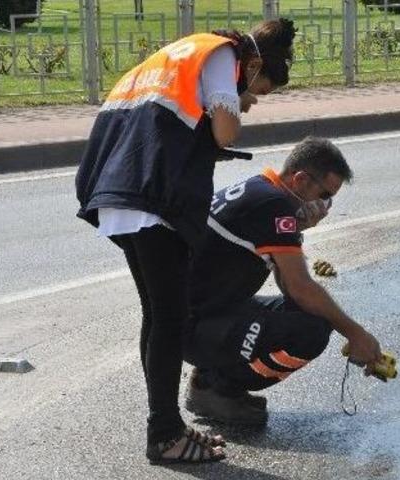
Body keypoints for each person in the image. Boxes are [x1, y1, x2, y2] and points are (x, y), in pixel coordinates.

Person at [74, 19, 296, 464]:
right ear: (252, 64)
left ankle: (167, 426)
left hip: (123, 194)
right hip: (154, 200)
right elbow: (225, 131)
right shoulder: (219, 56)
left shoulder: (178, 54)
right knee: (169, 319)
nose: (251, 103)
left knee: (159, 317)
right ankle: (165, 436)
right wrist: (232, 100)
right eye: (258, 91)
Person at [181, 137, 383, 425]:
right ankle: (219, 387)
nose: (325, 205)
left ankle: (213, 375)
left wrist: (297, 229)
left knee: (310, 315)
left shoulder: (262, 190)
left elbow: (289, 287)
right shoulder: (273, 205)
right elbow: (301, 289)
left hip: (208, 312)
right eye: (324, 194)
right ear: (300, 180)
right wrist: (355, 333)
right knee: (310, 332)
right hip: (193, 326)